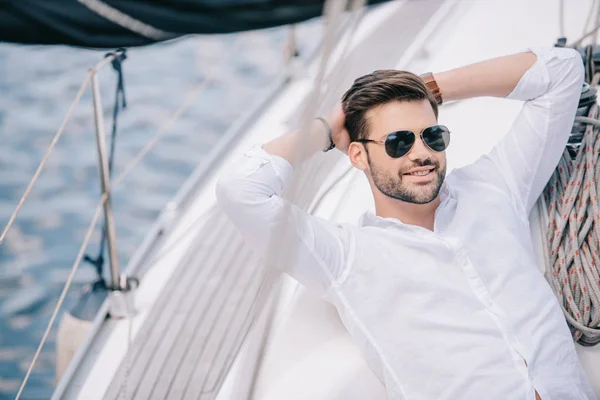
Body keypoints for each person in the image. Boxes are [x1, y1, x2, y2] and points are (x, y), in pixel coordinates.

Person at [216, 46, 597, 400]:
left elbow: (562, 70)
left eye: (432, 136)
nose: (421, 153)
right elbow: (241, 191)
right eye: (398, 142)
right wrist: (323, 129)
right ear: (359, 156)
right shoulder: (345, 258)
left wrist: (428, 87)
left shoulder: (497, 186)